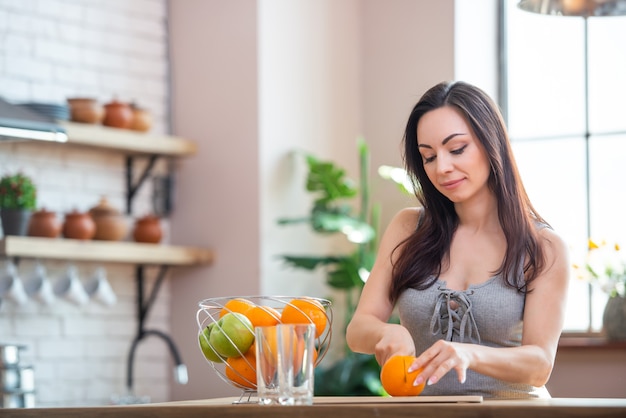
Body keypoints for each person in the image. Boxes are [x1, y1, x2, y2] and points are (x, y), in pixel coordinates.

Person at [345, 81, 569, 399]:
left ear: (492, 144)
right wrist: (386, 332)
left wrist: (469, 354)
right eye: (428, 157)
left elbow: (539, 364)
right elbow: (358, 330)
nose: (443, 168)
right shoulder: (409, 228)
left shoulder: (544, 247)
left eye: (457, 149)